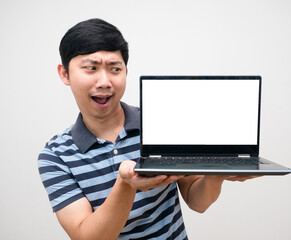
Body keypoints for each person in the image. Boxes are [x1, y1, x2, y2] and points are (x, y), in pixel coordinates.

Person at [38, 18, 258, 240]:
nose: (104, 81)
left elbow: (197, 201)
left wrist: (215, 174)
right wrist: (126, 185)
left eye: (115, 69)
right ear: (65, 73)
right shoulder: (55, 156)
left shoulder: (162, 121)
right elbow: (88, 237)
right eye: (91, 68)